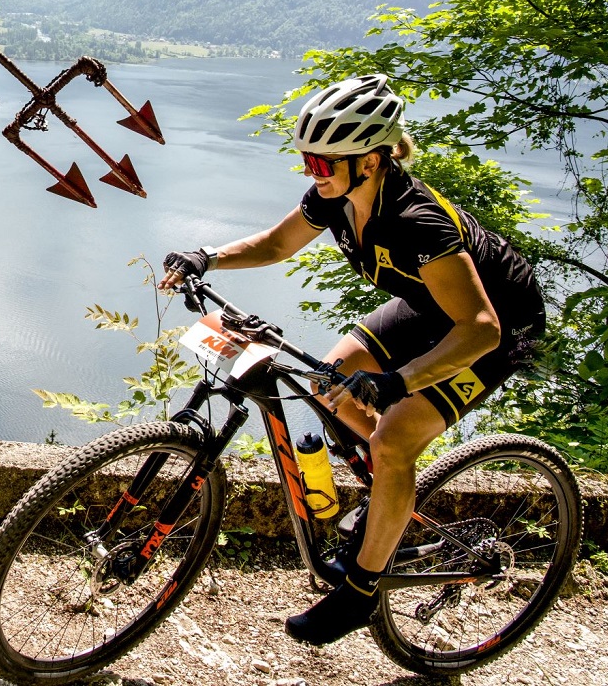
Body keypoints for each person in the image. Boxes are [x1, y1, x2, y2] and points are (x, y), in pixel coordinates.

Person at [160, 74, 544, 647]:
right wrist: (205, 257)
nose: (313, 173)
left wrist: (400, 382)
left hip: (495, 323)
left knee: (394, 437)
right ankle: (387, 495)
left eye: (323, 163)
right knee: (326, 382)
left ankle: (363, 590)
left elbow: (480, 327)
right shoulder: (334, 200)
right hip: (429, 303)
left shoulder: (416, 222)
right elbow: (274, 245)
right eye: (308, 162)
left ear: (370, 160)